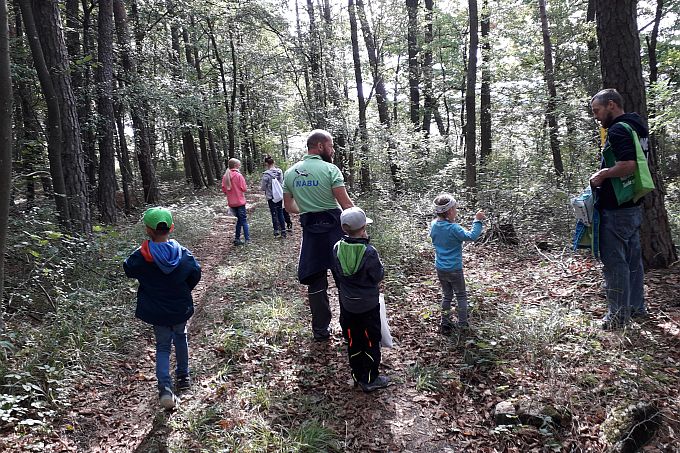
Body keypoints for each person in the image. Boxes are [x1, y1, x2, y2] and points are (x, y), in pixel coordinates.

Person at [123, 207, 201, 409]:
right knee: (181, 337)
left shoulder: (142, 255)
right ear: (172, 228)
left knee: (163, 346)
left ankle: (165, 388)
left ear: (148, 230)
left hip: (157, 310)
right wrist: (184, 289)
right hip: (179, 306)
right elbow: (196, 273)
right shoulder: (183, 253)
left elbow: (128, 268)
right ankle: (183, 376)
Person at [283, 129, 354, 341]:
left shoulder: (290, 173)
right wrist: (361, 230)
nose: (332, 150)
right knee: (344, 278)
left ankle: (321, 331)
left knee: (316, 281)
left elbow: (289, 207)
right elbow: (346, 205)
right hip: (335, 232)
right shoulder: (330, 169)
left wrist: (307, 208)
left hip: (311, 235)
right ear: (321, 146)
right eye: (331, 146)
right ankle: (348, 326)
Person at [589, 88, 648, 329]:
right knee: (633, 259)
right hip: (633, 203)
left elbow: (628, 165)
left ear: (611, 105)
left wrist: (602, 174)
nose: (596, 116)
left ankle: (617, 318)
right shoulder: (637, 125)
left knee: (615, 263)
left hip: (616, 207)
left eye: (597, 110)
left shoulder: (618, 129)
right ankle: (635, 307)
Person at [331, 207, 389, 392]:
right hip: (368, 305)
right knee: (371, 341)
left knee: (353, 340)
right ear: (363, 228)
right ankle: (370, 378)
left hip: (348, 304)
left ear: (344, 228)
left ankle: (357, 374)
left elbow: (338, 274)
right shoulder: (369, 251)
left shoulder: (337, 247)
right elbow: (377, 275)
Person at [429, 194, 485, 335]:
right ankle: (463, 325)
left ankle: (445, 323)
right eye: (455, 209)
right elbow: (471, 236)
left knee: (447, 296)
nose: (457, 211)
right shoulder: (454, 228)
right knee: (461, 296)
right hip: (454, 268)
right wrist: (477, 221)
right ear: (449, 212)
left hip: (440, 267)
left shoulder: (434, 225)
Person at [222, 158, 250, 245]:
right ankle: (247, 240)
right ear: (235, 166)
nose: (240, 166)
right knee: (244, 221)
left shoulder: (225, 176)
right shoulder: (238, 175)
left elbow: (224, 190)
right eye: (239, 165)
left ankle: (237, 239)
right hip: (240, 202)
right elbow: (244, 188)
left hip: (231, 203)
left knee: (240, 220)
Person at [260, 156, 287, 238]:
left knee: (273, 213)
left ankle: (276, 231)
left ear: (266, 164)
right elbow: (282, 183)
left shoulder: (266, 175)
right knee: (280, 212)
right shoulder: (280, 172)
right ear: (273, 162)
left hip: (270, 196)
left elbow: (263, 187)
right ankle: (283, 230)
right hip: (279, 195)